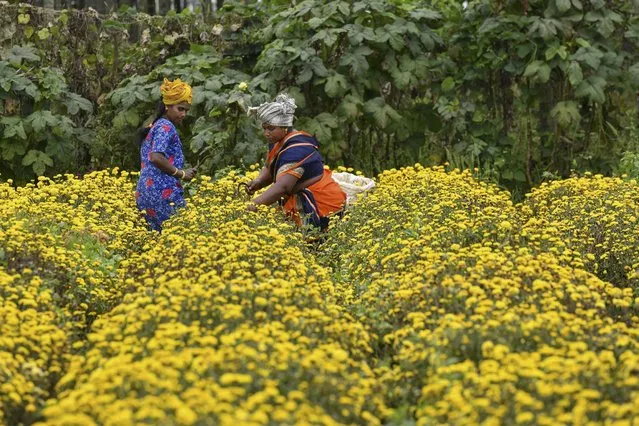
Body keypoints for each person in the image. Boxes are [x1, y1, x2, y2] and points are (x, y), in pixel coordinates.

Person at [246, 93, 346, 230]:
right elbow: (271, 166)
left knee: (315, 242)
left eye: (271, 128)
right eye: (264, 128)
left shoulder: (297, 150)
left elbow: (283, 187)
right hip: (301, 199)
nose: (266, 133)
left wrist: (253, 205)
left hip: (323, 204)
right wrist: (259, 182)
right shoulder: (278, 141)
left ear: (284, 127)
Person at [135, 78, 197, 232]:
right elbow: (155, 157)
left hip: (145, 193)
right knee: (181, 236)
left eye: (186, 110)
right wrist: (181, 174)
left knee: (156, 240)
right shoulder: (165, 126)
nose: (183, 114)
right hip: (162, 193)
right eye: (180, 109)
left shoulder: (155, 125)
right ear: (167, 106)